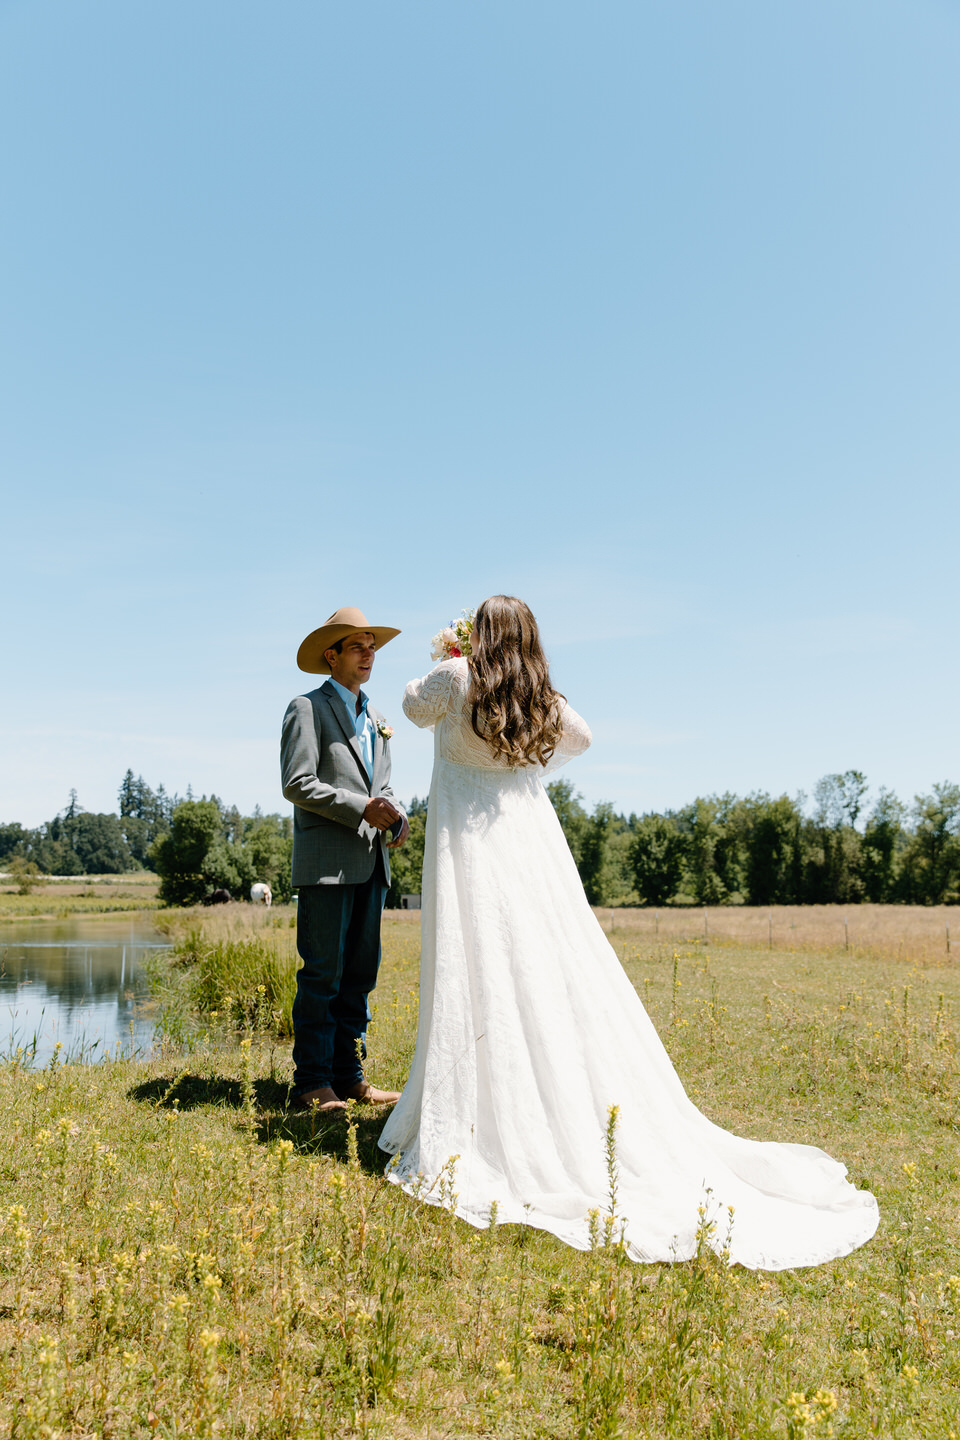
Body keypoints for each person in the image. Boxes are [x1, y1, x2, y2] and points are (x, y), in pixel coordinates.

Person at [378, 595, 879, 1269]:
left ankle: (483, 1115)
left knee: (471, 965)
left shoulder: (458, 678)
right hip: (524, 841)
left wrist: (448, 659)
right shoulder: (541, 698)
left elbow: (410, 707)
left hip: (467, 846)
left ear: (479, 634)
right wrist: (527, 770)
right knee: (533, 966)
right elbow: (582, 737)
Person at [281, 606, 409, 1114]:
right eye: (358, 646)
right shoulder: (306, 708)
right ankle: (311, 1082)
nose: (368, 654)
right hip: (326, 866)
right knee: (322, 974)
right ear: (330, 655)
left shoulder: (378, 719)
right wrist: (364, 808)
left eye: (372, 646)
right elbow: (297, 783)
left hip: (372, 866)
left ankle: (350, 1079)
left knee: (360, 976)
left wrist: (394, 813)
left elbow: (385, 784)